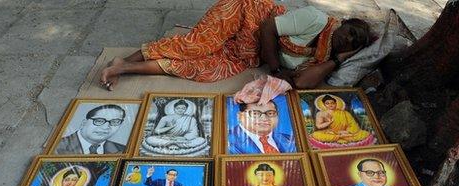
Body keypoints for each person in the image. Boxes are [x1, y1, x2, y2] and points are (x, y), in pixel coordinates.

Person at [100, 0, 372, 90]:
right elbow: (268, 27)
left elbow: (301, 83)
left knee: (208, 69)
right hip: (247, 13)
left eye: (354, 42)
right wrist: (276, 70)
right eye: (351, 32)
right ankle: (129, 58)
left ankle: (123, 68)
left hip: (251, 50)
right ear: (343, 23)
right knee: (199, 45)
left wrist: (336, 60)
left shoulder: (326, 56)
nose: (348, 39)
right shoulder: (316, 19)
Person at [141, 99, 208, 156]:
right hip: (167, 139)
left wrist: (183, 138)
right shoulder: (166, 118)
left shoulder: (191, 119)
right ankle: (174, 145)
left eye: (183, 108)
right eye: (178, 108)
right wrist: (170, 127)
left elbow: (194, 133)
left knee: (201, 140)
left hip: (183, 140)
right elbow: (157, 131)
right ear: (174, 108)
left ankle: (171, 146)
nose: (180, 110)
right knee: (150, 139)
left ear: (186, 109)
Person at [228, 100, 296, 154]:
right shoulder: (227, 141)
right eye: (255, 113)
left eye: (270, 113)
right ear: (240, 116)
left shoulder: (291, 140)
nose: (264, 118)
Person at [55, 104, 126, 154]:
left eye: (115, 122)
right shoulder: (56, 147)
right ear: (84, 122)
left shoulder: (123, 150)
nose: (105, 127)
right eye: (99, 121)